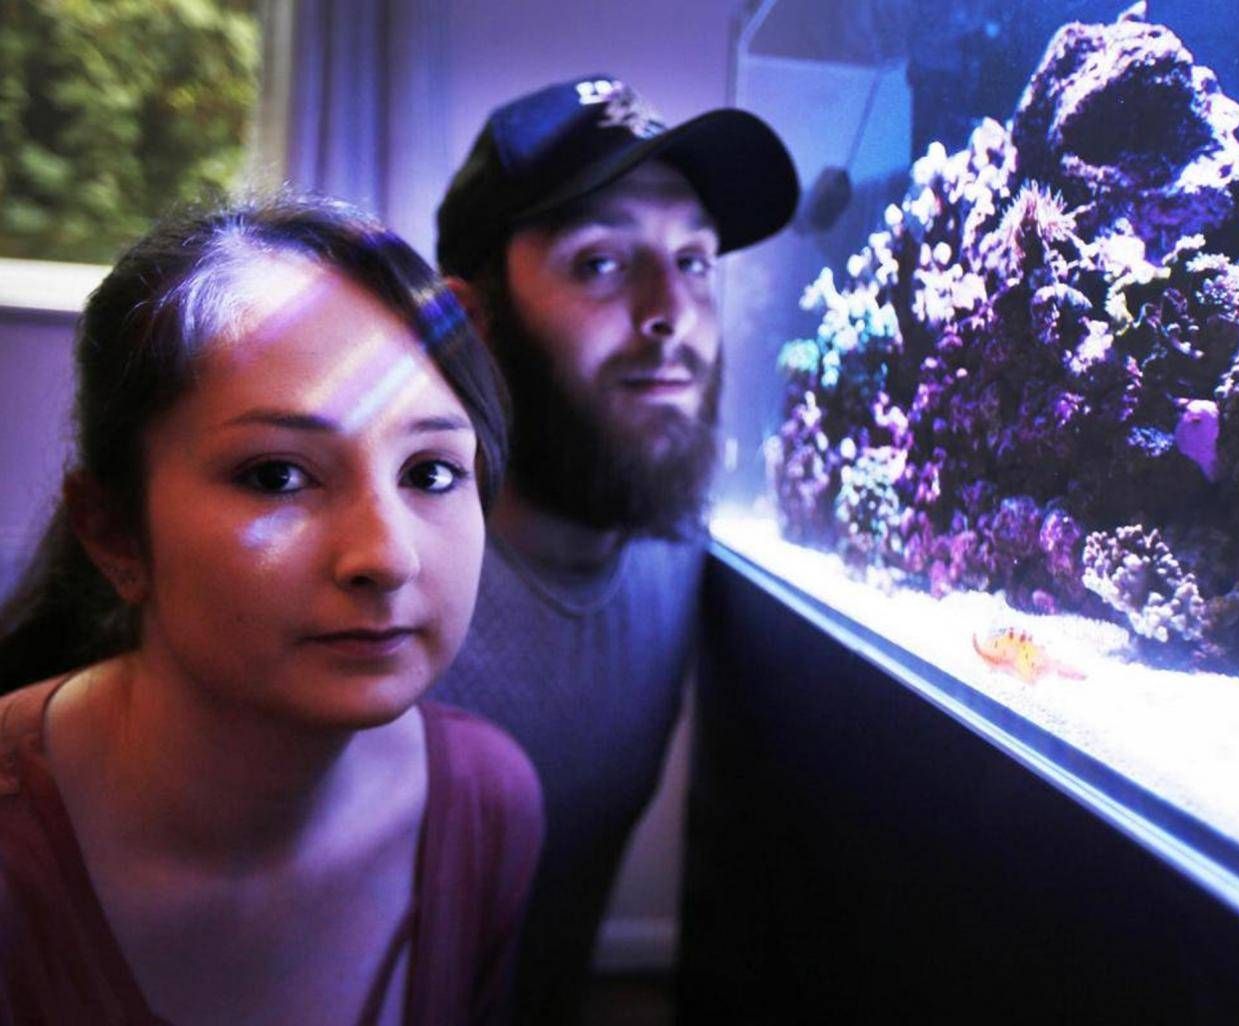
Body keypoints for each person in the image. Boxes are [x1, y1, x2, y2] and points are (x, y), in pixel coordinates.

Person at [0, 194, 543, 1025]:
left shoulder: (486, 807)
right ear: (113, 532)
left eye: (430, 472)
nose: (387, 557)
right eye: (277, 476)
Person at [430, 75, 798, 1022]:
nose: (671, 312)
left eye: (697, 259)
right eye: (601, 262)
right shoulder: (387, 600)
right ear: (471, 324)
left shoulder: (676, 537)